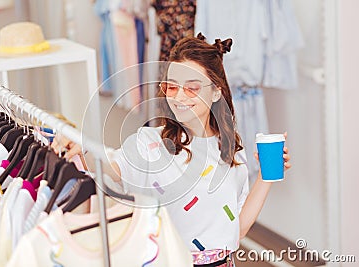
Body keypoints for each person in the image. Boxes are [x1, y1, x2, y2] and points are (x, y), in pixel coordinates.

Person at [52, 33, 291, 267]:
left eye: (191, 88)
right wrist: (83, 153)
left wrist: (264, 177)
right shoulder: (150, 143)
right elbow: (114, 169)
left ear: (216, 91)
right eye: (171, 87)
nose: (178, 97)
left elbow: (236, 229)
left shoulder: (229, 149)